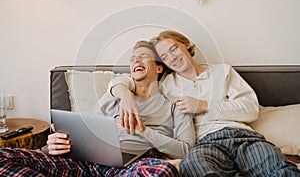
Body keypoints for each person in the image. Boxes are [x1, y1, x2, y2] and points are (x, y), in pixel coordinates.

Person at [108, 31, 300, 176]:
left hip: (243, 137)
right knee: (194, 167)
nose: (172, 57)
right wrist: (123, 93)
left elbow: (250, 109)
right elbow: (129, 80)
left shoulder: (222, 72)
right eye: (165, 57)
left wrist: (204, 105)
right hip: (204, 144)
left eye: (173, 49)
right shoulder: (166, 85)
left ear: (186, 45)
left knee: (277, 168)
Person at [0, 40, 195, 177]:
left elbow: (186, 151)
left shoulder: (175, 104)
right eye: (133, 58)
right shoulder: (114, 95)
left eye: (143, 57)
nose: (136, 61)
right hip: (85, 161)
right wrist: (60, 140)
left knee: (162, 172)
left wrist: (142, 131)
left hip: (131, 166)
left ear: (159, 68)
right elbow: (86, 128)